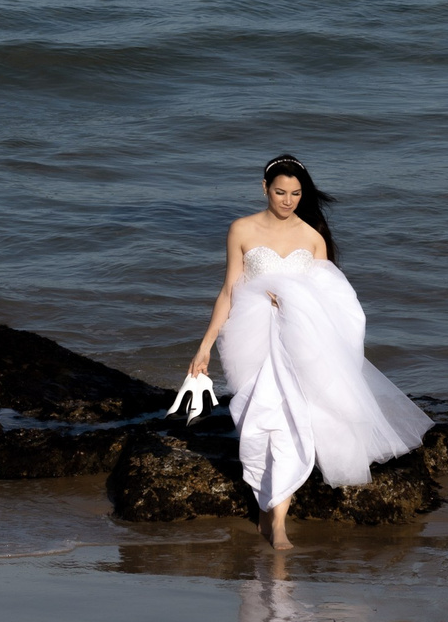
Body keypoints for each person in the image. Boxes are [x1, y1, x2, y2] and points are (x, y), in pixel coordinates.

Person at [184, 156, 431, 549]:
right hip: (252, 338)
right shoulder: (241, 229)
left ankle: (278, 524)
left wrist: (294, 303)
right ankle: (266, 512)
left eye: (296, 194)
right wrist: (205, 346)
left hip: (300, 343)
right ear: (264, 188)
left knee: (289, 424)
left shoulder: (312, 238)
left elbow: (335, 301)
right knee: (256, 421)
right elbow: (230, 290)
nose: (288, 200)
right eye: (280, 192)